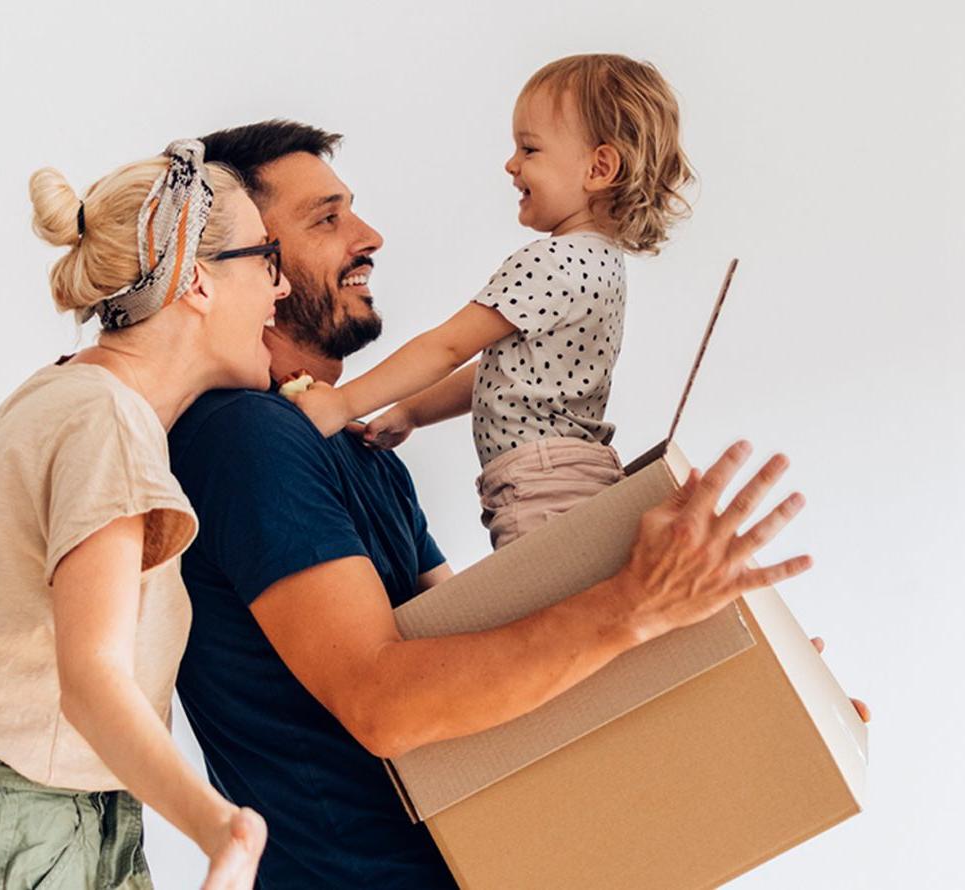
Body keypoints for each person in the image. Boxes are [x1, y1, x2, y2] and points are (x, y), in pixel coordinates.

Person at [169, 120, 857, 888]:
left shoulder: (358, 450)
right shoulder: (245, 438)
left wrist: (729, 686)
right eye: (326, 220)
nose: (369, 237)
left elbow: (492, 658)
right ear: (243, 266)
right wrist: (635, 604)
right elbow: (383, 703)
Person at [0, 140, 280, 890]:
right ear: (197, 280)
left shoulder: (66, 396)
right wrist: (221, 828)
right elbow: (92, 679)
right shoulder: (105, 421)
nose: (281, 288)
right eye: (269, 258)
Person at [282, 53, 695, 548]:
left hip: (540, 487)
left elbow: (448, 347)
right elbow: (503, 371)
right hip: (578, 477)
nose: (511, 164)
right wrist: (412, 412)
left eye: (530, 148)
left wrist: (342, 402)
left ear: (599, 168)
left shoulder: (551, 261)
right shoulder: (602, 264)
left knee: (538, 612)